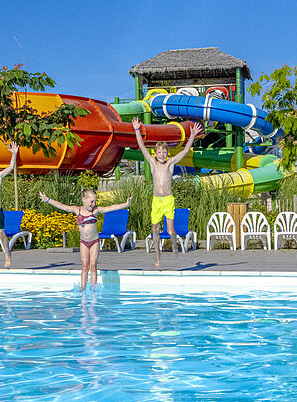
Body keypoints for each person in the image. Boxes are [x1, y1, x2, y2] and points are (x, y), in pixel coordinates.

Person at [130, 119, 200, 269]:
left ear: (167, 153)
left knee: (170, 230)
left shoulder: (170, 163)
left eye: (164, 152)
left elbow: (185, 150)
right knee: (155, 229)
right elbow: (142, 147)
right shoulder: (152, 163)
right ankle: (157, 255)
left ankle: (174, 246)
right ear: (155, 153)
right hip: (156, 201)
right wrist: (137, 130)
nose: (162, 154)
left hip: (168, 200)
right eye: (159, 152)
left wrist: (192, 135)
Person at [39, 188, 132, 290]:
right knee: (84, 267)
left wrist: (125, 204)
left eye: (95, 201)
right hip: (83, 242)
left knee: (93, 266)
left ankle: (93, 289)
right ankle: (83, 290)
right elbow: (62, 206)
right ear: (83, 199)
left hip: (94, 242)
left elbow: (111, 207)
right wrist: (47, 199)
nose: (93, 204)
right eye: (91, 201)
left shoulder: (96, 210)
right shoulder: (77, 210)